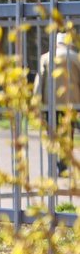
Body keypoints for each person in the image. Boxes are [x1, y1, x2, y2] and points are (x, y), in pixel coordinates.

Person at [34, 32, 80, 176]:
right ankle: (64, 164)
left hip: (50, 103)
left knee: (52, 133)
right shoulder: (76, 58)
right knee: (68, 133)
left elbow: (39, 81)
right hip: (71, 103)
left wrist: (36, 102)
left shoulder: (46, 57)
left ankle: (52, 164)